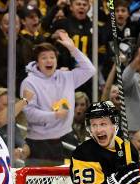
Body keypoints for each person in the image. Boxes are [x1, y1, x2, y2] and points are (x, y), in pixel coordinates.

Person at [19, 33, 96, 166]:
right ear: (37, 62)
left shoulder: (66, 77)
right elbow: (30, 114)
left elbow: (90, 70)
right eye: (44, 58)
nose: (49, 61)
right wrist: (54, 115)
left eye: (52, 57)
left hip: (65, 137)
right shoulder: (29, 82)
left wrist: (73, 49)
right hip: (39, 143)